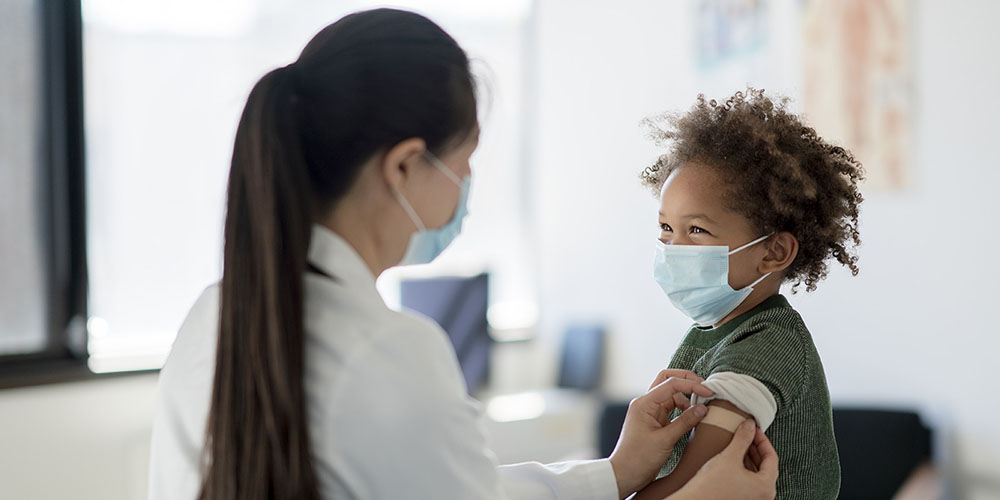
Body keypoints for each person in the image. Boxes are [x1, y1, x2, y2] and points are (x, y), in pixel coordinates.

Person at [147, 10, 779, 500]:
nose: (467, 189)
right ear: (402, 166)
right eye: (464, 165)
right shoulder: (387, 351)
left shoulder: (213, 315)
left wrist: (613, 474)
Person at [633, 89, 864, 499]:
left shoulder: (766, 345)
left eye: (697, 231)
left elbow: (689, 486)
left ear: (774, 252)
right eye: (666, 228)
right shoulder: (716, 330)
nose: (672, 249)